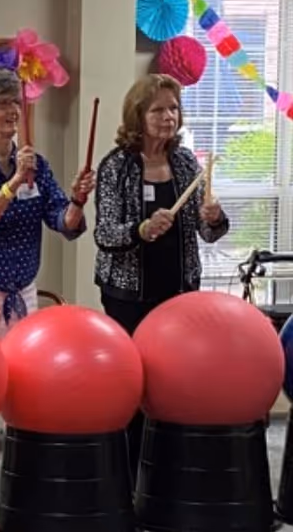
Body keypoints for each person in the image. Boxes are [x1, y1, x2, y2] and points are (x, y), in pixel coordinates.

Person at [94, 73, 230, 484]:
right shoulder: (116, 166)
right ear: (138, 115)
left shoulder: (186, 162)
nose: (168, 117)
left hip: (180, 294)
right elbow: (104, 234)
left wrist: (215, 218)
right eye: (158, 109)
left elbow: (207, 234)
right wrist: (140, 229)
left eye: (173, 108)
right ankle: (129, 477)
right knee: (136, 387)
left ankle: (170, 477)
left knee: (177, 383)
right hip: (129, 297)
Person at [0, 68, 95, 338]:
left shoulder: (37, 165)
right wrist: (14, 182)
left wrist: (78, 199)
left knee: (21, 362)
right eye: (2, 103)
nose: (13, 110)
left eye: (16, 102)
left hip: (22, 287)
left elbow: (64, 222)